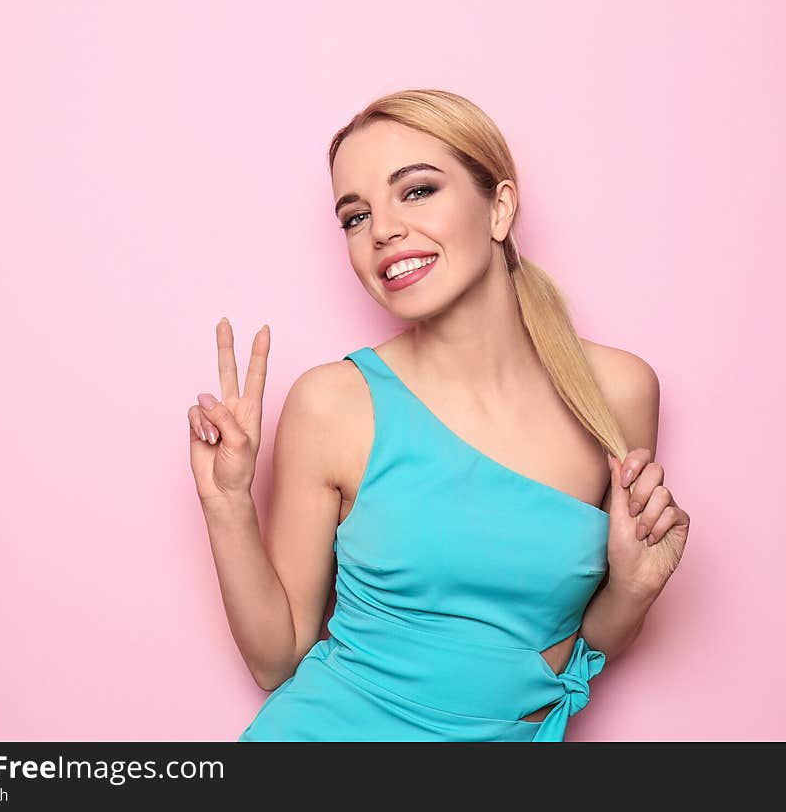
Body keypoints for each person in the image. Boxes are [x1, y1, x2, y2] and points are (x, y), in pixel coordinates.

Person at [187, 89, 691, 742]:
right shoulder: (333, 404)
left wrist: (635, 589)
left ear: (500, 208)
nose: (384, 230)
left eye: (417, 191)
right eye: (355, 216)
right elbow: (276, 656)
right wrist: (226, 501)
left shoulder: (618, 393)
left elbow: (574, 651)